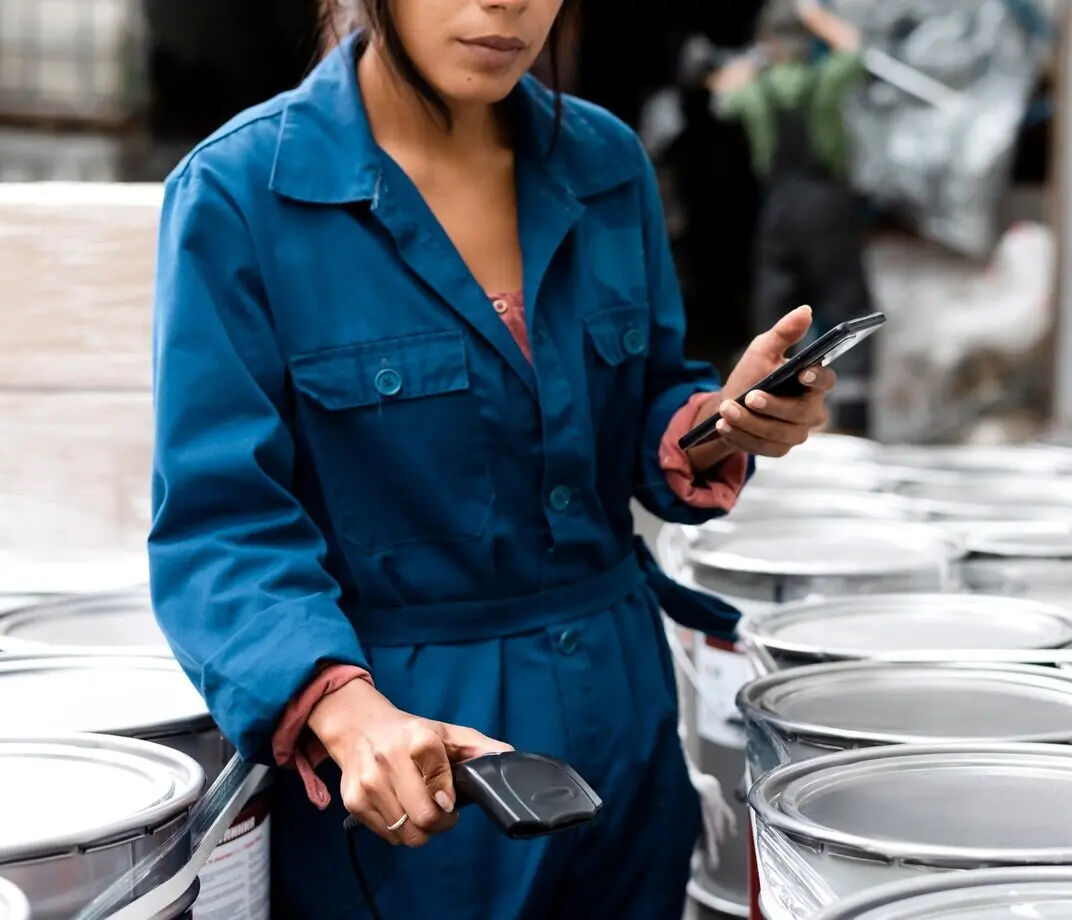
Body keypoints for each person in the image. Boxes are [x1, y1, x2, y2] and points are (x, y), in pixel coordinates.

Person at [146, 0, 838, 917]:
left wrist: (721, 420)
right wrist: (349, 715)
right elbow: (221, 526)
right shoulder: (244, 195)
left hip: (622, 726)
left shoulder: (605, 164)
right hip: (421, 766)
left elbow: (641, 402)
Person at [707, 0, 874, 435]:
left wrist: (756, 56)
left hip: (779, 209)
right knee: (844, 303)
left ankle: (766, 415)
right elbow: (854, 50)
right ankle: (854, 423)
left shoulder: (757, 88)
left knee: (778, 313)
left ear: (770, 43)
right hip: (827, 206)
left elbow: (721, 94)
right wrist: (815, 16)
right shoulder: (824, 78)